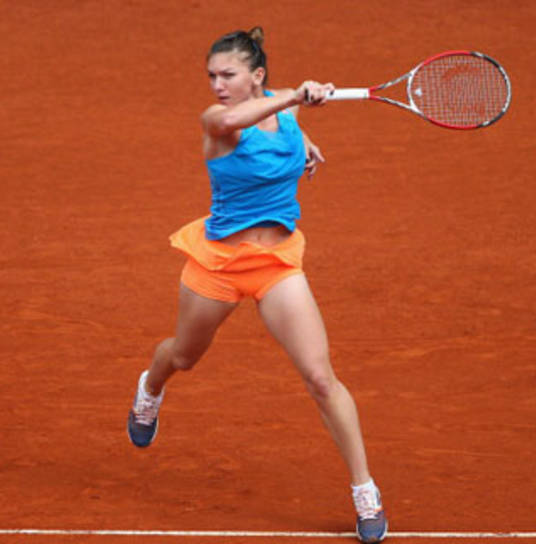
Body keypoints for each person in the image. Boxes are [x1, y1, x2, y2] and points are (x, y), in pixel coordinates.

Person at [127, 27, 388, 544]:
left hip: (276, 263)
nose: (217, 85)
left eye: (228, 75)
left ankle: (365, 489)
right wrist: (296, 99)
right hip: (219, 264)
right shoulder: (217, 120)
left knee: (320, 378)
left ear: (257, 76)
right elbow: (235, 120)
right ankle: (150, 387)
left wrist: (305, 143)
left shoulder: (285, 110)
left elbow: (283, 120)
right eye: (212, 76)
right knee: (183, 356)